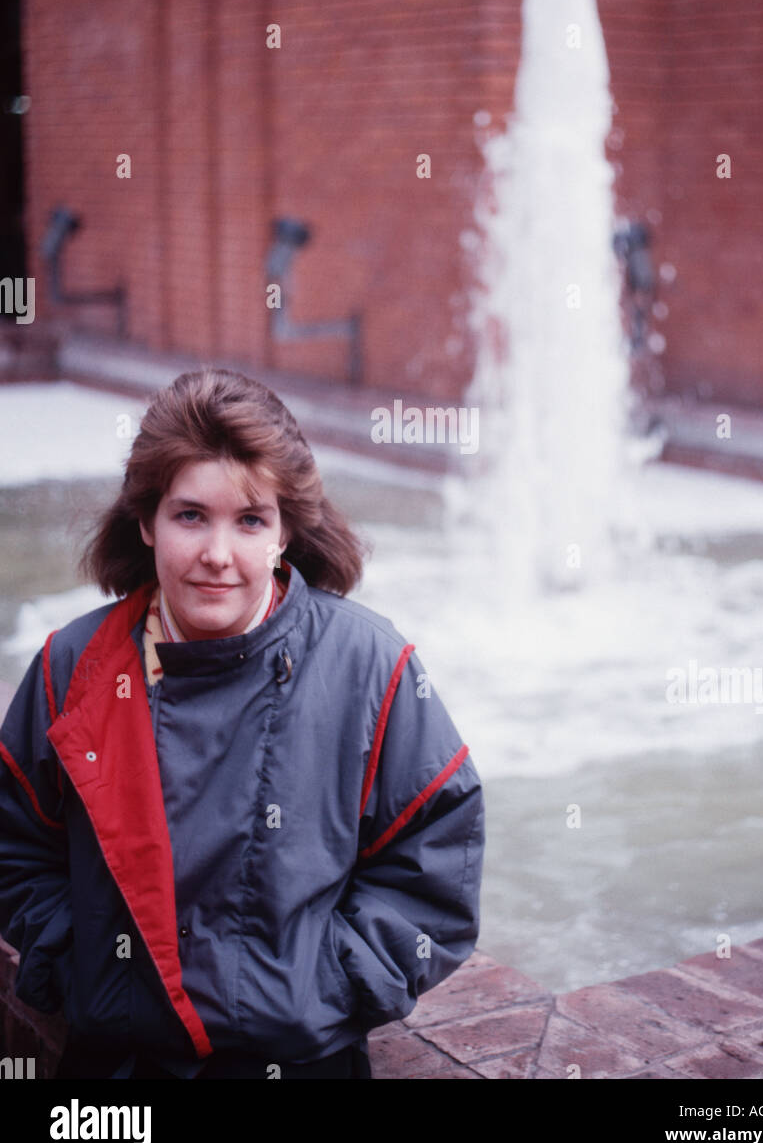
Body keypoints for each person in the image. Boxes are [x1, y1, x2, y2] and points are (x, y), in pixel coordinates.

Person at [0, 368, 485, 1079]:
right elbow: (14, 841)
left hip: (301, 1062)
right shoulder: (73, 665)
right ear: (146, 521)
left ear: (284, 531)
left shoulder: (369, 665)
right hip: (118, 1073)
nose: (218, 555)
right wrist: (88, 968)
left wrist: (318, 988)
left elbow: (437, 851)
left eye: (250, 520)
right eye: (190, 515)